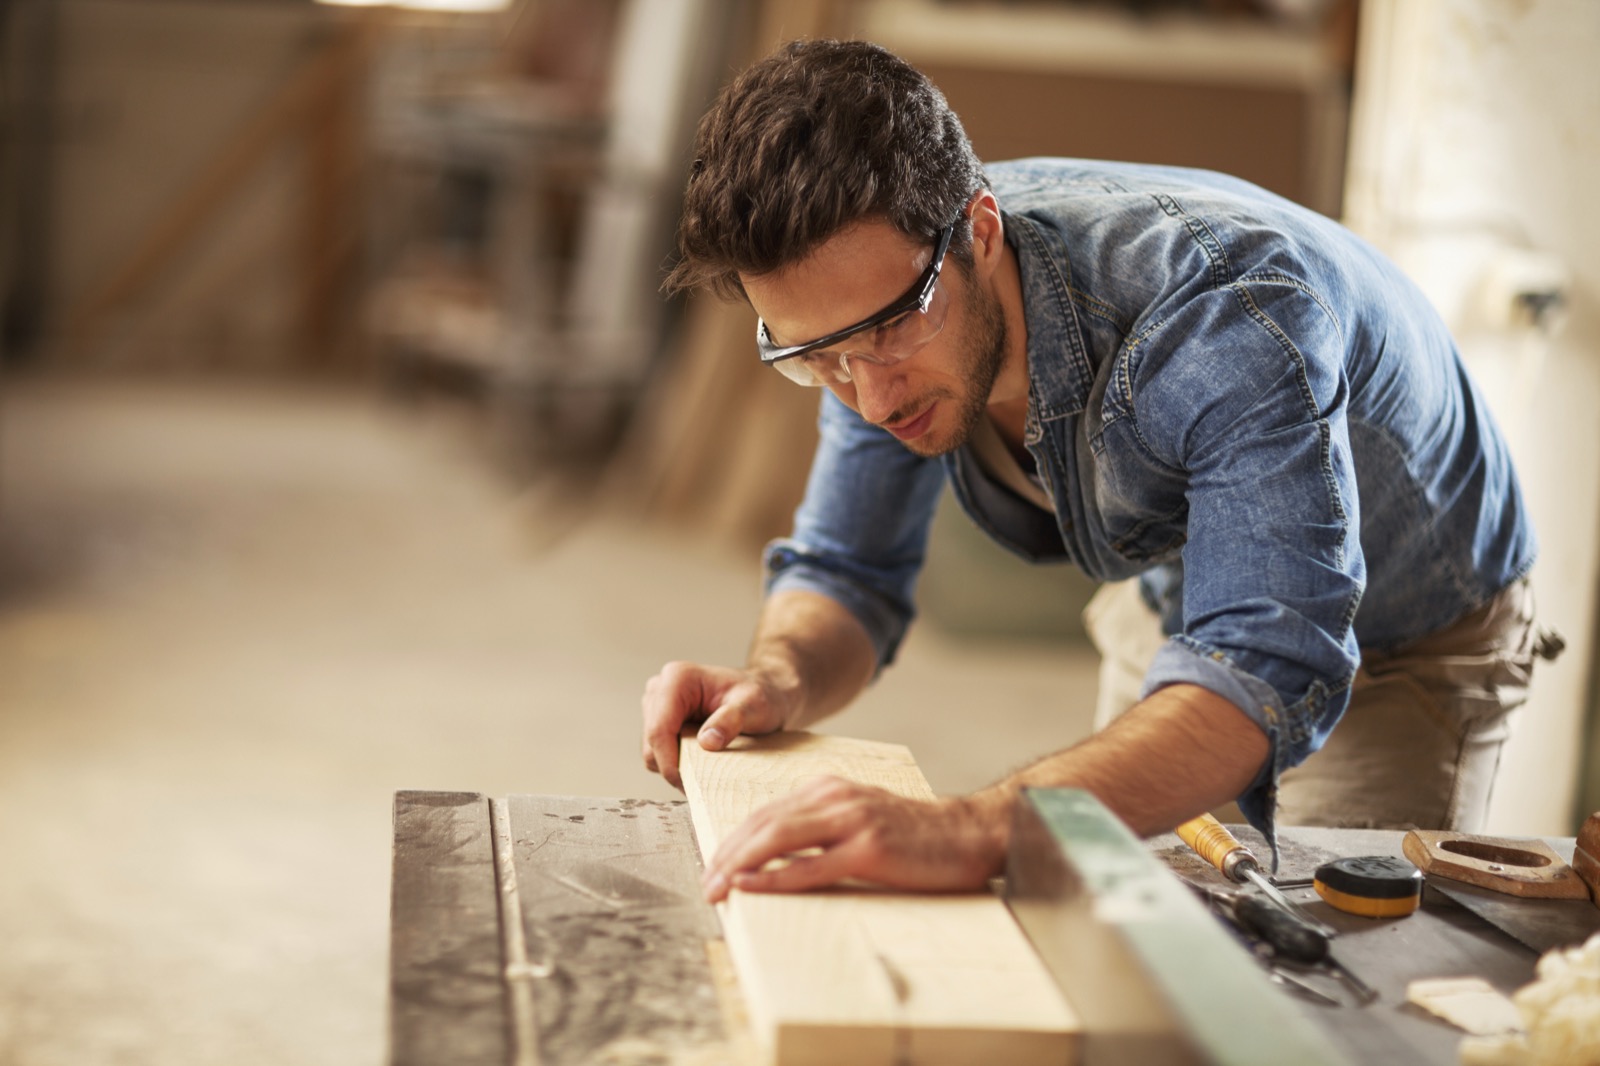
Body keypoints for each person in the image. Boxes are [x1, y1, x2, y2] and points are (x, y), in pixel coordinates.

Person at [639, 39, 1560, 904]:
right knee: (1124, 917)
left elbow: (1263, 668)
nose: (870, 400)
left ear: (981, 231)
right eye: (815, 359)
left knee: (1322, 965)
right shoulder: (881, 296)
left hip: (1404, 634)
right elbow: (848, 569)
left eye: (888, 332)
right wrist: (779, 677)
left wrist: (964, 828)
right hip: (1176, 579)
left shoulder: (1224, 325)